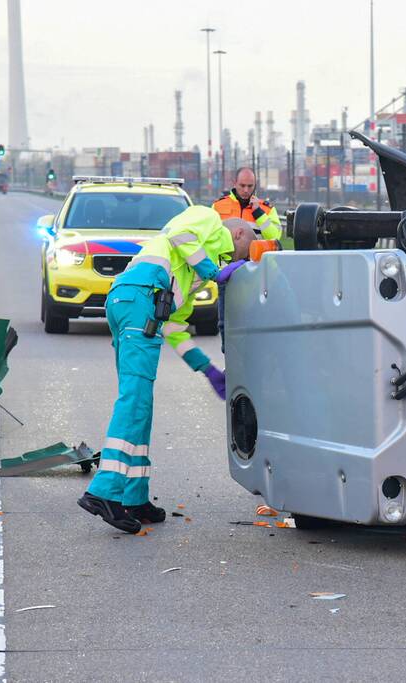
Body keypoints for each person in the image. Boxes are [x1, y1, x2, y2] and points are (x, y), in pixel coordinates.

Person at [78, 204, 253, 534]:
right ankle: (103, 493)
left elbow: (174, 328)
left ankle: (134, 496)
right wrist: (215, 272)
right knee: (133, 400)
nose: (225, 262)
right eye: (230, 255)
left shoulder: (186, 274)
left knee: (141, 404)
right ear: (238, 232)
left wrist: (208, 370)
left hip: (136, 305)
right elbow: (181, 234)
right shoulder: (206, 217)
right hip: (140, 301)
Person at [213, 167, 282, 240]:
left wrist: (259, 213)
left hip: (256, 251)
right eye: (242, 186)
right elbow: (210, 236)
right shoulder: (217, 206)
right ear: (235, 183)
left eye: (250, 186)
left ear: (255, 185)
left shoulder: (267, 209)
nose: (246, 190)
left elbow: (275, 238)